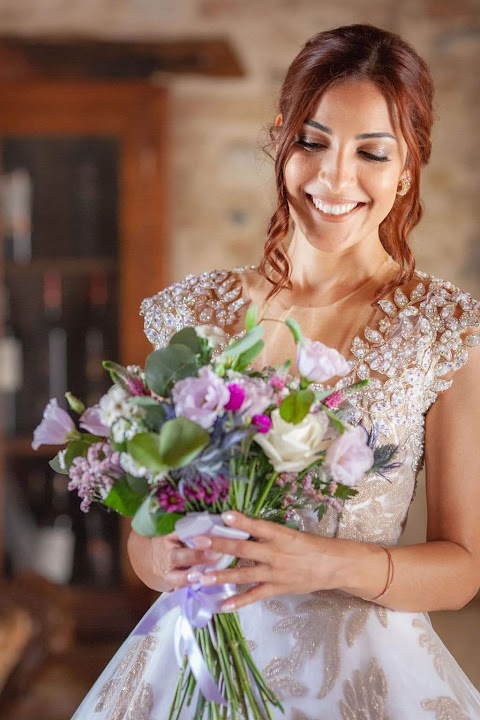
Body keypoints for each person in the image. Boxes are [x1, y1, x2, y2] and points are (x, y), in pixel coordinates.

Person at [73, 23, 480, 719]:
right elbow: (148, 527)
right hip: (195, 667)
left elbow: (462, 566)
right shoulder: (194, 314)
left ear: (407, 169)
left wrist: (326, 564)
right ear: (279, 141)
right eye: (312, 142)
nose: (334, 178)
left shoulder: (443, 328)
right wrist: (156, 558)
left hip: (364, 678)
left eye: (372, 153)